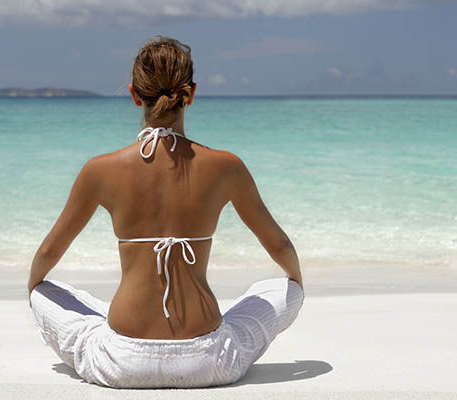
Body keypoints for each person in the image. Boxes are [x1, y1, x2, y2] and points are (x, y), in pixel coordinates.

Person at [27, 35, 304, 389]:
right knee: (282, 288)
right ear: (190, 94)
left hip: (121, 362)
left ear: (133, 94)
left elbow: (49, 253)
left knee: (48, 294)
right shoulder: (226, 166)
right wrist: (296, 282)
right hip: (208, 361)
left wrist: (34, 289)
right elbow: (279, 246)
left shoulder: (99, 169)